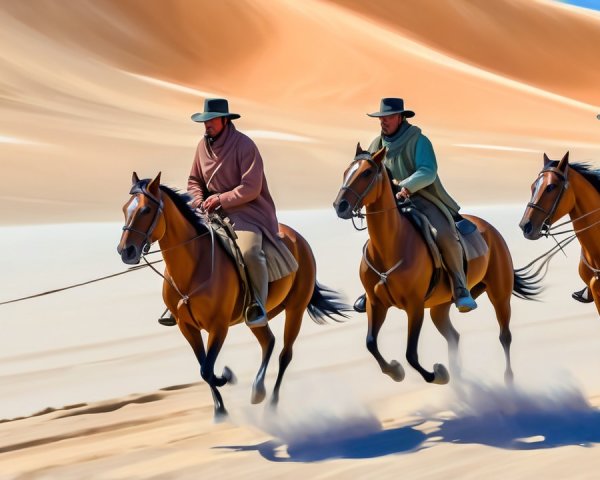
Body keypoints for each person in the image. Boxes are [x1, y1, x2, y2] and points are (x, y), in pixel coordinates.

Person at [353, 97, 477, 314]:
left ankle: (460, 288)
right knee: (378, 238)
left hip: (424, 199)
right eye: (381, 118)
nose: (384, 122)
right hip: (391, 203)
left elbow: (427, 171)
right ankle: (371, 289)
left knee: (445, 235)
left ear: (400, 118)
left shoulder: (419, 140)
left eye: (389, 117)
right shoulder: (376, 144)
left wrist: (406, 187)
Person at [186, 98, 297, 327]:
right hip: (210, 212)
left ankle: (257, 304)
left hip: (246, 212)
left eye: (211, 120)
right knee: (186, 242)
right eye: (204, 121)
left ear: (225, 120)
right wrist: (198, 199)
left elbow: (251, 188)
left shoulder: (245, 145)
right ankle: (178, 300)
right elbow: (194, 180)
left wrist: (220, 199)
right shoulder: (201, 146)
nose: (206, 125)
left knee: (250, 252)